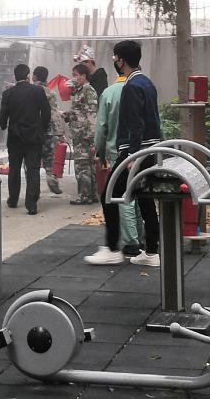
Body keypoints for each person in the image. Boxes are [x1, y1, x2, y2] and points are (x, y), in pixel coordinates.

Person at [87, 39, 161, 266]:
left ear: (121, 61)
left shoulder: (131, 87)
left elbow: (135, 124)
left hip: (135, 152)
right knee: (145, 198)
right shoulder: (146, 83)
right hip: (150, 149)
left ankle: (112, 248)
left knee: (108, 195)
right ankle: (151, 252)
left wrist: (131, 156)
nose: (114, 61)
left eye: (115, 57)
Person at [93, 59, 144, 251]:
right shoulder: (143, 88)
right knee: (138, 193)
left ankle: (131, 242)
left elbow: (101, 127)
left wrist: (100, 152)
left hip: (119, 151)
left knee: (122, 196)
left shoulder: (109, 93)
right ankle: (141, 236)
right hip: (142, 149)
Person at [0, 62, 52, 214]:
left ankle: (13, 199)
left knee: (14, 169)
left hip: (15, 137)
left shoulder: (8, 93)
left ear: (15, 76)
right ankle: (31, 204)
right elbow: (46, 112)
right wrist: (42, 128)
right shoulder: (38, 91)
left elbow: (2, 116)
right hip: (33, 137)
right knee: (33, 169)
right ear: (28, 75)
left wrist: (4, 125)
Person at [64, 61, 99, 204]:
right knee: (87, 165)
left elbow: (92, 114)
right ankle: (91, 194)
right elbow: (79, 112)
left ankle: (85, 196)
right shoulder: (79, 91)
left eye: (76, 75)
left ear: (84, 76)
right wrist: (67, 115)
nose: (74, 78)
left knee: (82, 165)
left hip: (84, 135)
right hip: (79, 133)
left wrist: (91, 135)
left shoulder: (88, 90)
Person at [34, 65, 66, 195]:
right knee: (49, 158)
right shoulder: (50, 92)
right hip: (49, 131)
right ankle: (52, 179)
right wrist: (59, 132)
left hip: (34, 131)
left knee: (33, 160)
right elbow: (54, 113)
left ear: (34, 76)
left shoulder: (31, 91)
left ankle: (33, 188)